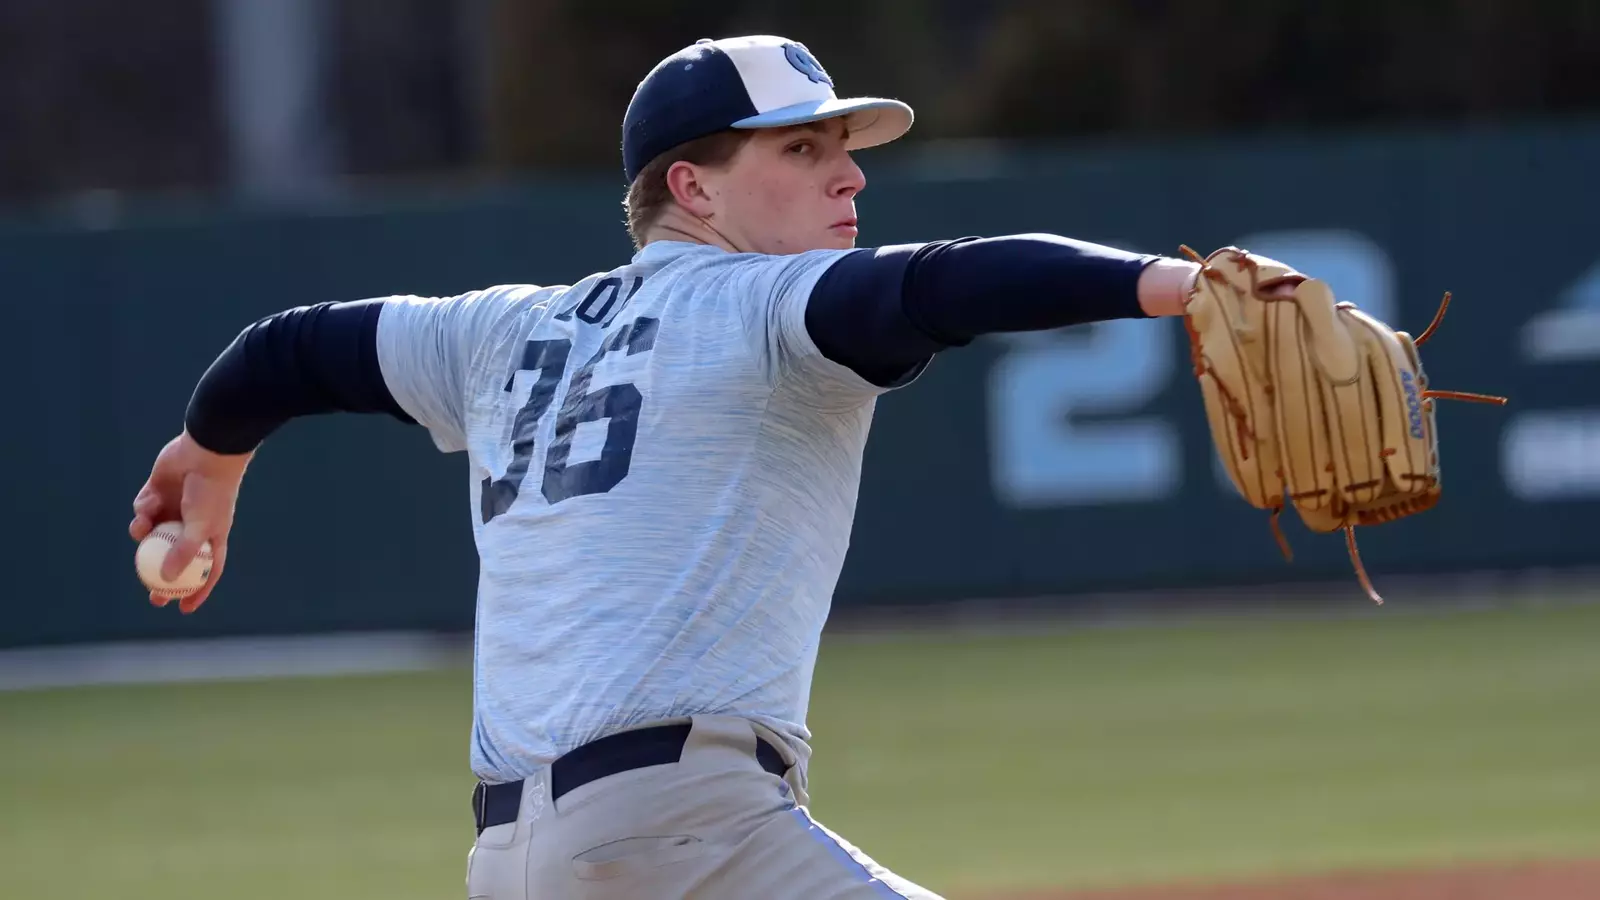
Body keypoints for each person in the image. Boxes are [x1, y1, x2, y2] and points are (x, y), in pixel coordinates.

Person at [128, 34, 1285, 899]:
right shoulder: (761, 301)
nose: (851, 178)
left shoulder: (495, 331)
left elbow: (290, 349)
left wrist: (210, 466)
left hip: (512, 859)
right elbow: (946, 282)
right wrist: (1182, 284)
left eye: (843, 149)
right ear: (693, 188)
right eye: (802, 148)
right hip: (683, 830)